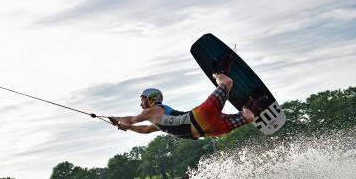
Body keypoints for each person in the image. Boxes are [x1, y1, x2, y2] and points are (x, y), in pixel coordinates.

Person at [109, 65, 255, 139]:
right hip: (203, 120)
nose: (141, 105)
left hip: (206, 129)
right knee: (227, 82)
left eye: (142, 101)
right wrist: (127, 127)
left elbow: (132, 119)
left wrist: (118, 120)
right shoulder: (159, 120)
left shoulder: (154, 111)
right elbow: (145, 130)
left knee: (248, 117)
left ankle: (217, 73)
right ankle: (219, 74)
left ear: (151, 99)